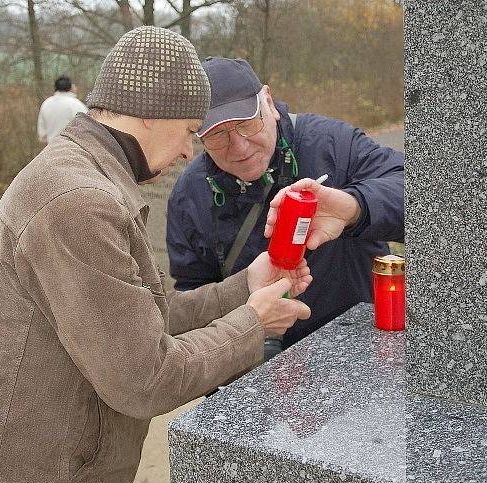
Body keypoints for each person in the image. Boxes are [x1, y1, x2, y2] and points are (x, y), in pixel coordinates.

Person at [0, 28, 312, 483]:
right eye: (188, 131)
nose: (187, 152)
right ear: (149, 113)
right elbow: (145, 377)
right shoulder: (78, 200)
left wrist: (248, 282)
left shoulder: (91, 175)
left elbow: (141, 322)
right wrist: (254, 322)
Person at [167, 56, 404, 353]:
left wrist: (354, 207)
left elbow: (423, 199)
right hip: (256, 369)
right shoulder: (189, 192)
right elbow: (193, 293)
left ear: (268, 101)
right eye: (216, 136)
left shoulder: (331, 144)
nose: (239, 147)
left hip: (359, 348)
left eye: (246, 124)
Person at [37, 75, 87, 143]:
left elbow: (42, 133)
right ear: (71, 87)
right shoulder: (77, 105)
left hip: (51, 148)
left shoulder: (46, 104)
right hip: (73, 149)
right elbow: (87, 130)